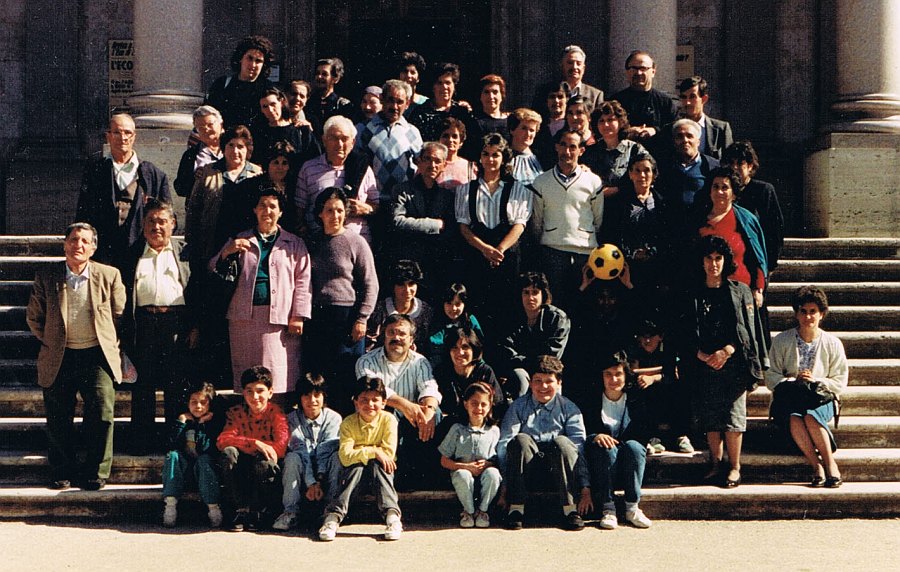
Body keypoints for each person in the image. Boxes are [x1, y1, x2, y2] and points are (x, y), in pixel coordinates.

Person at [26, 222, 126, 491]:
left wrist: (106, 342)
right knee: (58, 414)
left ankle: (96, 471)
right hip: (60, 354)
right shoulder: (48, 275)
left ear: (93, 247)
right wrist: (53, 341)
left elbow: (119, 314)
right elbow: (34, 317)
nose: (78, 245)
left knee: (103, 409)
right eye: (73, 240)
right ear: (65, 244)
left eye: (84, 241)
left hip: (96, 355)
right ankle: (62, 469)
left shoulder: (109, 275)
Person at [676, 235, 767, 488]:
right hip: (702, 362)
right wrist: (701, 355)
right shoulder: (691, 292)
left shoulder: (739, 291)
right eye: (708, 258)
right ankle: (715, 464)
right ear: (701, 261)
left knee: (733, 417)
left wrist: (726, 351)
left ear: (725, 261)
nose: (713, 263)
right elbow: (682, 331)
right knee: (710, 416)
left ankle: (735, 467)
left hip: (733, 363)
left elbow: (748, 331)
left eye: (718, 258)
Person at [210, 188, 312, 402]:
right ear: (255, 210)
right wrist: (228, 251)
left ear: (281, 212)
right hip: (244, 318)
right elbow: (213, 268)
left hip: (280, 320)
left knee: (277, 376)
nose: (267, 211)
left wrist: (298, 315)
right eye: (263, 206)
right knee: (248, 377)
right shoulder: (240, 239)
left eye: (273, 206)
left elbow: (303, 280)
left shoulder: (294, 243)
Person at [119, 200, 196, 455]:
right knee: (143, 386)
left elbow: (198, 292)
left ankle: (173, 443)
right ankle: (141, 442)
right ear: (143, 225)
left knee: (176, 386)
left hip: (176, 323)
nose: (157, 226)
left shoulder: (185, 252)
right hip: (143, 324)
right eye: (151, 221)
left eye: (162, 221)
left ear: (173, 224)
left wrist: (195, 327)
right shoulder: (131, 254)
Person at [304, 187, 379, 415]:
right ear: (320, 213)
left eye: (339, 210)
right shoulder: (312, 241)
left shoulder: (355, 242)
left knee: (346, 379)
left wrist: (362, 319)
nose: (334, 216)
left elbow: (370, 284)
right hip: (318, 317)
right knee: (320, 379)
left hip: (346, 319)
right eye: (329, 210)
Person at [766, 286, 848, 488]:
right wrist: (794, 380)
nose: (808, 317)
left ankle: (830, 465)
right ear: (796, 313)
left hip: (821, 398)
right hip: (791, 398)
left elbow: (839, 379)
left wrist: (816, 381)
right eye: (803, 311)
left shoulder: (832, 343)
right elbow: (771, 375)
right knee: (795, 416)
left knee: (811, 416)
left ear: (821, 314)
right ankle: (816, 466)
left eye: (813, 312)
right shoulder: (782, 340)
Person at [497, 355, 589, 531]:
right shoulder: (518, 407)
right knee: (520, 440)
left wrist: (585, 487)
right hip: (527, 469)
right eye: (537, 381)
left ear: (559, 383)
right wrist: (505, 485)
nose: (543, 387)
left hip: (559, 470)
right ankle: (516, 509)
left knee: (563, 442)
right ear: (530, 383)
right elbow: (504, 444)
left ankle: (570, 509)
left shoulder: (569, 408)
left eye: (549, 381)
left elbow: (578, 448)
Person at [456, 133, 532, 327]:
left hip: (506, 256)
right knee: (476, 308)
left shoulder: (518, 189)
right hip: (477, 254)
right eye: (486, 154)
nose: (490, 159)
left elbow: (519, 225)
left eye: (495, 155)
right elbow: (464, 227)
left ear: (504, 158)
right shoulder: (465, 190)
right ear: (480, 158)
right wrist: (485, 249)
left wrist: (499, 250)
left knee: (507, 308)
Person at [355, 314, 442, 483]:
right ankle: (389, 475)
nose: (396, 338)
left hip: (413, 419)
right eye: (391, 333)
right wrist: (405, 405)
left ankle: (424, 474)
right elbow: (375, 391)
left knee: (435, 413)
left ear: (411, 339)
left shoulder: (420, 361)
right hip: (381, 417)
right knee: (388, 413)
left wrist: (429, 409)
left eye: (402, 334)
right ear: (384, 336)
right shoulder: (366, 361)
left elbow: (429, 387)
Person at [76, 113, 171, 264]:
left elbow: (168, 217)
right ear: (108, 136)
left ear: (134, 136)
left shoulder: (153, 174)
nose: (123, 137)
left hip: (140, 254)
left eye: (127, 132)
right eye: (117, 132)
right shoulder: (94, 172)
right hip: (104, 254)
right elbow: (83, 215)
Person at [318, 376, 403, 542]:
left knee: (381, 463)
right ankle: (333, 517)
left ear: (384, 402)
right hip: (353, 476)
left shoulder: (389, 420)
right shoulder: (348, 423)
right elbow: (345, 456)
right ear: (355, 402)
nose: (370, 405)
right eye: (364, 400)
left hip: (381, 475)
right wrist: (373, 450)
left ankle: (392, 516)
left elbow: (388, 453)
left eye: (375, 400)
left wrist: (368, 452)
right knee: (356, 465)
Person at [530, 129, 604, 311]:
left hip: (585, 254)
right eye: (563, 145)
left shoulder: (593, 181)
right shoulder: (541, 182)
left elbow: (598, 218)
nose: (567, 151)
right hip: (553, 252)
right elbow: (537, 220)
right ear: (556, 147)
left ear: (581, 151)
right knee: (555, 304)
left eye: (573, 147)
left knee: (584, 306)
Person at [582, 352, 653, 529]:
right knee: (604, 448)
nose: (613, 379)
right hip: (602, 451)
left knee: (634, 448)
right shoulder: (592, 399)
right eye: (608, 374)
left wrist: (626, 443)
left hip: (628, 448)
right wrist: (596, 436)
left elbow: (644, 429)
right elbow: (585, 429)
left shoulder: (636, 398)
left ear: (625, 376)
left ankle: (632, 508)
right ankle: (608, 509)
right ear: (602, 377)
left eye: (618, 374)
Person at [217, 365, 289, 532]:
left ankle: (260, 510)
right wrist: (255, 443)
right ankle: (240, 510)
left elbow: (280, 446)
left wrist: (257, 448)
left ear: (270, 392)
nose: (255, 397)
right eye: (249, 391)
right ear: (243, 393)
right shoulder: (235, 412)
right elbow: (223, 439)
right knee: (228, 453)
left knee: (265, 462)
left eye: (260, 391)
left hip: (262, 470)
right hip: (240, 469)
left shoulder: (277, 414)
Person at [598, 153, 675, 305]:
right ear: (630, 174)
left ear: (654, 174)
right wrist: (631, 255)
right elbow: (610, 236)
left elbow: (669, 239)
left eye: (647, 170)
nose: (642, 175)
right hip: (625, 270)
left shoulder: (664, 205)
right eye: (637, 170)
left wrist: (652, 252)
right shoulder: (617, 204)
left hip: (656, 270)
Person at [186, 124, 262, 270]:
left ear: (248, 150)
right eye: (231, 145)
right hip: (214, 239)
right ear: (223, 148)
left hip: (247, 239)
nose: (235, 151)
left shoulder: (257, 173)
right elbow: (194, 208)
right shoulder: (209, 172)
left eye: (240, 146)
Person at [273, 373, 343, 531]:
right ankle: (290, 512)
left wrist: (318, 480)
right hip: (302, 477)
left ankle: (330, 512)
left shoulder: (334, 419)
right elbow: (301, 451)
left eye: (317, 395)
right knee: (292, 457)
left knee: (337, 457)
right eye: (306, 395)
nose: (312, 400)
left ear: (324, 396)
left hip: (324, 475)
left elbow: (325, 450)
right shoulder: (290, 420)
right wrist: (311, 482)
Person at [693, 167, 769, 309]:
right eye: (715, 187)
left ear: (734, 194)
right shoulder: (698, 221)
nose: (719, 192)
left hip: (739, 294)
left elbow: (757, 258)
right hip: (705, 293)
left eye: (725, 187)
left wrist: (758, 289)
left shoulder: (746, 220)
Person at [296, 115, 379, 242]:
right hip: (320, 241)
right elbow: (300, 208)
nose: (339, 144)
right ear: (324, 140)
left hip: (357, 242)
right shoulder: (308, 168)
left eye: (344, 139)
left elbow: (376, 206)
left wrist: (366, 209)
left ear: (353, 142)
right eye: (333, 138)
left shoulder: (363, 169)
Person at [390, 141, 459, 288]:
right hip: (408, 260)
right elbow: (397, 221)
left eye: (437, 161)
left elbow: (450, 228)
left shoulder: (447, 196)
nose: (432, 165)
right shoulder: (402, 190)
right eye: (428, 159)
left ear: (444, 165)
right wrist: (434, 225)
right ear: (419, 161)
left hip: (436, 263)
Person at [497, 271, 571, 401]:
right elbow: (507, 352)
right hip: (521, 371)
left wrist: (526, 360)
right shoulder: (510, 318)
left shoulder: (558, 318)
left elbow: (551, 356)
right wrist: (527, 362)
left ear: (543, 294)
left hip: (548, 372)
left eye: (535, 292)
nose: (530, 297)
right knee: (520, 378)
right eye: (526, 292)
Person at [438, 381, 502, 528]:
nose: (478, 408)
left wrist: (488, 464)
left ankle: (482, 511)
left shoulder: (494, 431)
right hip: (463, 477)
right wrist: (465, 466)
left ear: (490, 406)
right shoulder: (457, 430)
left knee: (493, 474)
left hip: (484, 476)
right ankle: (469, 512)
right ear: (466, 404)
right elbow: (444, 460)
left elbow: (498, 459)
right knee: (462, 475)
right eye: (474, 403)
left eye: (483, 404)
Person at [161, 381, 225, 528]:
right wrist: (181, 422)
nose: (198, 406)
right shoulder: (183, 420)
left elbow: (207, 448)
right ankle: (170, 505)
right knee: (173, 455)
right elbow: (170, 444)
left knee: (205, 459)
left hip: (204, 476)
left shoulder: (213, 423)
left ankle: (213, 507)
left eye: (203, 402)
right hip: (182, 474)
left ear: (210, 404)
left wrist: (202, 424)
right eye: (194, 402)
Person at [722, 141, 785, 273]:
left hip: (755, 260)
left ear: (750, 166)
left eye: (740, 164)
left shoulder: (764, 190)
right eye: (731, 163)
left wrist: (769, 265)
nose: (734, 168)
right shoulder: (722, 191)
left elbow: (775, 230)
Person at [356, 79, 423, 199]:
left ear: (407, 104)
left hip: (403, 201)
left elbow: (421, 165)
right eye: (390, 100)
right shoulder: (363, 129)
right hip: (373, 200)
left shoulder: (412, 132)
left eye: (400, 102)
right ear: (382, 99)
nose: (394, 106)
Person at [434, 325, 503, 424]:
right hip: (449, 426)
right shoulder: (441, 371)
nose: (460, 352)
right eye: (454, 347)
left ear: (474, 349)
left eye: (465, 347)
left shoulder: (484, 372)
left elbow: (496, 403)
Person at [204, 35, 276, 129]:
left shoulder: (268, 89)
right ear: (240, 58)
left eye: (258, 61)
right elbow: (207, 114)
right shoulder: (222, 84)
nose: (253, 65)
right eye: (249, 58)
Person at [655, 76, 733, 161]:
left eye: (692, 97)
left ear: (704, 99)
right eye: (684, 97)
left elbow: (729, 162)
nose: (687, 102)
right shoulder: (670, 129)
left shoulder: (721, 129)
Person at [409, 62, 478, 156]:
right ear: (433, 87)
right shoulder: (420, 113)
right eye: (439, 83)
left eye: (448, 83)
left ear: (454, 86)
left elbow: (471, 145)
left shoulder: (462, 113)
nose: (444, 87)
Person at [581, 100, 651, 191]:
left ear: (620, 122)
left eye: (610, 120)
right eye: (601, 121)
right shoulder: (589, 152)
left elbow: (646, 176)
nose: (605, 124)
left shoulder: (635, 150)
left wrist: (616, 190)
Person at [657, 118, 720, 219]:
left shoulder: (712, 166)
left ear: (698, 141)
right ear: (674, 141)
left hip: (701, 225)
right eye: (680, 136)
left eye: (689, 136)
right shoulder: (664, 166)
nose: (685, 140)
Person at [610, 50, 678, 142]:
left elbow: (675, 129)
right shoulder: (615, 102)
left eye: (643, 68)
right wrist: (626, 132)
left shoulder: (665, 102)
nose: (638, 73)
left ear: (653, 72)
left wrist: (654, 130)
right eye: (634, 68)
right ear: (627, 72)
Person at [367, 259, 434, 351]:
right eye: (401, 284)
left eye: (411, 284)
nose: (407, 290)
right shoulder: (379, 310)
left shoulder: (426, 311)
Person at [251, 86, 320, 170]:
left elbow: (315, 158)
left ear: (281, 102)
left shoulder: (300, 130)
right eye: (265, 106)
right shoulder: (259, 133)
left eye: (273, 104)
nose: (270, 110)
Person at [531, 45, 604, 118]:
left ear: (583, 68)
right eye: (570, 63)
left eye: (578, 63)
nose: (574, 67)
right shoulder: (544, 91)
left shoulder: (595, 95)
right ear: (562, 66)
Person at [428, 283, 486, 367]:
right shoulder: (438, 322)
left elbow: (479, 344)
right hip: (443, 364)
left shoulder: (470, 320)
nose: (453, 308)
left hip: (467, 362)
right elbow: (436, 348)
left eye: (458, 304)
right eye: (449, 303)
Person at [174, 106, 225, 199]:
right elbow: (180, 189)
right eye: (200, 127)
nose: (206, 129)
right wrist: (194, 178)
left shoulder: (234, 148)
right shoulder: (190, 155)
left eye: (210, 125)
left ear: (220, 124)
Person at [308, 57, 355, 130]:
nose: (319, 77)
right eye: (317, 73)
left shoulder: (342, 105)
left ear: (335, 79)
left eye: (324, 74)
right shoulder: (308, 102)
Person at [507, 108, 544, 185]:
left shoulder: (541, 158)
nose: (528, 134)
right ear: (512, 130)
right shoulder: (504, 157)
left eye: (532, 130)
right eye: (524, 128)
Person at [437, 117, 477, 189]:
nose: (450, 140)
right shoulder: (431, 164)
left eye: (454, 136)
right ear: (439, 139)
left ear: (461, 142)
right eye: (445, 136)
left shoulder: (470, 167)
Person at [474, 74, 510, 141]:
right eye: (486, 92)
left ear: (502, 95)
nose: (491, 96)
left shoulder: (510, 121)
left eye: (495, 92)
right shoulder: (474, 122)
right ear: (480, 96)